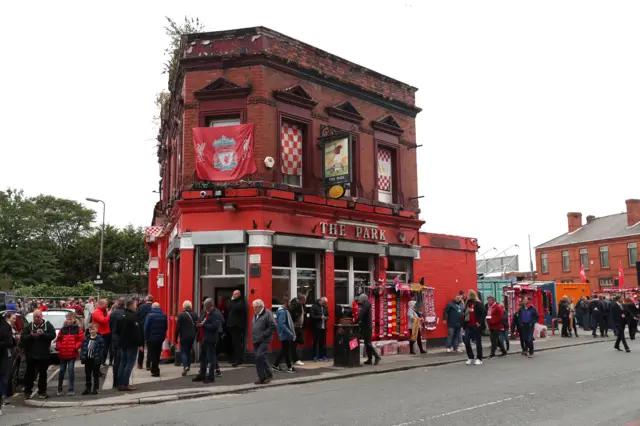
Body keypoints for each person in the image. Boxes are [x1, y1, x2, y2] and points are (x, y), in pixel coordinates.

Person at [21, 309, 56, 399]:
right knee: (29, 374)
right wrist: (31, 336)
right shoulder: (29, 326)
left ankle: (42, 391)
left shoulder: (47, 325)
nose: (36, 318)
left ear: (42, 316)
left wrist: (43, 334)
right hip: (31, 354)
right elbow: (23, 338)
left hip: (43, 354)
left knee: (43, 374)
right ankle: (27, 391)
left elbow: (52, 335)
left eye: (38, 317)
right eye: (35, 317)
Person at [193, 298, 223, 384]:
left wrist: (203, 325)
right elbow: (200, 320)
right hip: (203, 338)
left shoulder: (216, 314)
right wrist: (198, 323)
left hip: (210, 339)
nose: (205, 308)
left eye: (206, 306)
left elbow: (214, 327)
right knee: (203, 358)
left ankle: (211, 376)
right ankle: (202, 374)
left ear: (210, 306)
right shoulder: (204, 312)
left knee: (211, 358)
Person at [115, 300, 143, 391]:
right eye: (135, 305)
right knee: (129, 363)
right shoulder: (133, 317)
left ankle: (120, 383)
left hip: (122, 343)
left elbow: (117, 330)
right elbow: (136, 332)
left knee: (122, 363)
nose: (136, 307)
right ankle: (125, 384)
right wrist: (140, 344)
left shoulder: (121, 316)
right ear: (130, 306)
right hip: (131, 344)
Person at [55, 312, 84, 396]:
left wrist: (75, 347)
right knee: (62, 371)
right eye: (67, 319)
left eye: (70, 319)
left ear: (74, 319)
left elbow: (81, 340)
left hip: (72, 353)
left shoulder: (78, 329)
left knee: (71, 370)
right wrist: (60, 347)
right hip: (63, 353)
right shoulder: (62, 329)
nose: (69, 321)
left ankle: (71, 388)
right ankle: (60, 387)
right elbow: (58, 340)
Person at [251, 299, 276, 385]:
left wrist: (264, 334)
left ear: (260, 307)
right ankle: (262, 377)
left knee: (260, 356)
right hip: (256, 339)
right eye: (253, 307)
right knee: (259, 358)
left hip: (265, 340)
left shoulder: (267, 313)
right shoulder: (255, 314)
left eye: (255, 307)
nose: (254, 309)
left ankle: (268, 374)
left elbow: (273, 325)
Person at [144, 302, 168, 377]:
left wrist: (146, 338)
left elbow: (146, 328)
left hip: (151, 338)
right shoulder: (164, 316)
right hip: (160, 338)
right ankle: (155, 369)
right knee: (157, 354)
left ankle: (155, 370)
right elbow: (166, 327)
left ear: (153, 308)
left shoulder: (150, 316)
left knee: (151, 354)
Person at [80, 323, 105, 395]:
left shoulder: (99, 339)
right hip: (87, 359)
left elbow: (101, 350)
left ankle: (95, 388)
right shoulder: (86, 338)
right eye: (90, 329)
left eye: (93, 329)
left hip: (95, 359)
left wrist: (99, 358)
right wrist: (83, 357)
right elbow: (83, 348)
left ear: (97, 330)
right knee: (88, 375)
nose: (92, 331)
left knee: (95, 375)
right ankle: (88, 388)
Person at [273, 296, 296, 373]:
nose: (290, 304)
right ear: (286, 303)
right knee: (284, 350)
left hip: (285, 334)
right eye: (289, 302)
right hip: (285, 334)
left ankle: (278, 366)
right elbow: (282, 324)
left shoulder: (283, 311)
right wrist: (290, 333)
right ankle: (286, 367)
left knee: (285, 351)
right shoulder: (283, 312)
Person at [175, 300, 198, 376]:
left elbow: (178, 327)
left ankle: (185, 366)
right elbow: (197, 325)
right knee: (188, 351)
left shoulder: (181, 315)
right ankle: (188, 366)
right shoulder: (194, 314)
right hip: (192, 336)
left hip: (184, 336)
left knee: (183, 351)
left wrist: (175, 337)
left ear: (183, 306)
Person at [462, 290, 485, 365]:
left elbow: (483, 312)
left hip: (476, 325)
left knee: (478, 342)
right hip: (468, 325)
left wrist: (480, 322)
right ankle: (471, 357)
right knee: (466, 341)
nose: (467, 296)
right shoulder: (467, 304)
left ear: (472, 295)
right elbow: (464, 313)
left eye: (468, 295)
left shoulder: (478, 303)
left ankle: (479, 358)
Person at [357, 294, 381, 365]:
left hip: (367, 327)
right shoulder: (366, 305)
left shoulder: (366, 305)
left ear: (364, 299)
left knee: (368, 343)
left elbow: (361, 314)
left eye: (361, 299)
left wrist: (355, 321)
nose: (360, 301)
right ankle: (369, 359)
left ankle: (377, 356)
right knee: (367, 344)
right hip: (366, 327)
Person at [0, 312, 16, 412]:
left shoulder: (5, 326)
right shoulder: (5, 326)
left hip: (4, 355)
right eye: (13, 318)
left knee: (4, 378)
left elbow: (9, 342)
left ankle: (2, 397)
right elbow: (9, 342)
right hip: (4, 355)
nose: (15, 320)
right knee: (3, 378)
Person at [109, 297, 126, 387]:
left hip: (115, 338)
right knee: (123, 360)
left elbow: (111, 325)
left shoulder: (113, 313)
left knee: (116, 360)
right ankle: (122, 380)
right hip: (123, 338)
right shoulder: (126, 313)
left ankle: (115, 381)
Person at [226, 290, 246, 367]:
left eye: (235, 294)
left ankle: (239, 359)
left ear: (239, 294)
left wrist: (231, 301)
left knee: (237, 343)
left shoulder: (240, 302)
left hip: (237, 326)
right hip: (232, 325)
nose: (233, 295)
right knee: (234, 343)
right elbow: (230, 308)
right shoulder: (235, 302)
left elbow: (234, 308)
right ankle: (235, 358)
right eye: (233, 294)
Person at [92, 299, 112, 366]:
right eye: (106, 304)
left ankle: (102, 362)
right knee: (102, 350)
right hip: (101, 333)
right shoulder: (97, 312)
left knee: (105, 349)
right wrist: (109, 314)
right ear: (101, 304)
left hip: (106, 333)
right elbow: (103, 321)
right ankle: (99, 363)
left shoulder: (103, 311)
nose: (107, 305)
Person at [136, 295, 154, 370]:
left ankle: (140, 364)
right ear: (152, 300)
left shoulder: (141, 307)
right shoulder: (154, 307)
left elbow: (136, 317)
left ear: (146, 300)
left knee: (141, 346)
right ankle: (148, 364)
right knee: (150, 347)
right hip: (151, 329)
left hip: (141, 329)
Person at [289, 294, 306, 366]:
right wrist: (295, 320)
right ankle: (295, 359)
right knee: (293, 344)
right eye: (304, 300)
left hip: (298, 327)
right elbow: (292, 315)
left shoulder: (301, 305)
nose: (305, 301)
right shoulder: (295, 305)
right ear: (301, 299)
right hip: (295, 327)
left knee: (295, 343)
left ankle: (294, 359)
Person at [310, 297, 329, 362]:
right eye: (323, 302)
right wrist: (320, 317)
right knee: (315, 342)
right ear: (320, 301)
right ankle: (315, 356)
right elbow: (312, 316)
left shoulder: (325, 307)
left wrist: (327, 318)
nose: (324, 304)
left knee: (322, 342)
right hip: (316, 327)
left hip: (323, 327)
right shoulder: (314, 306)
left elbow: (327, 315)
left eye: (325, 303)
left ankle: (322, 355)